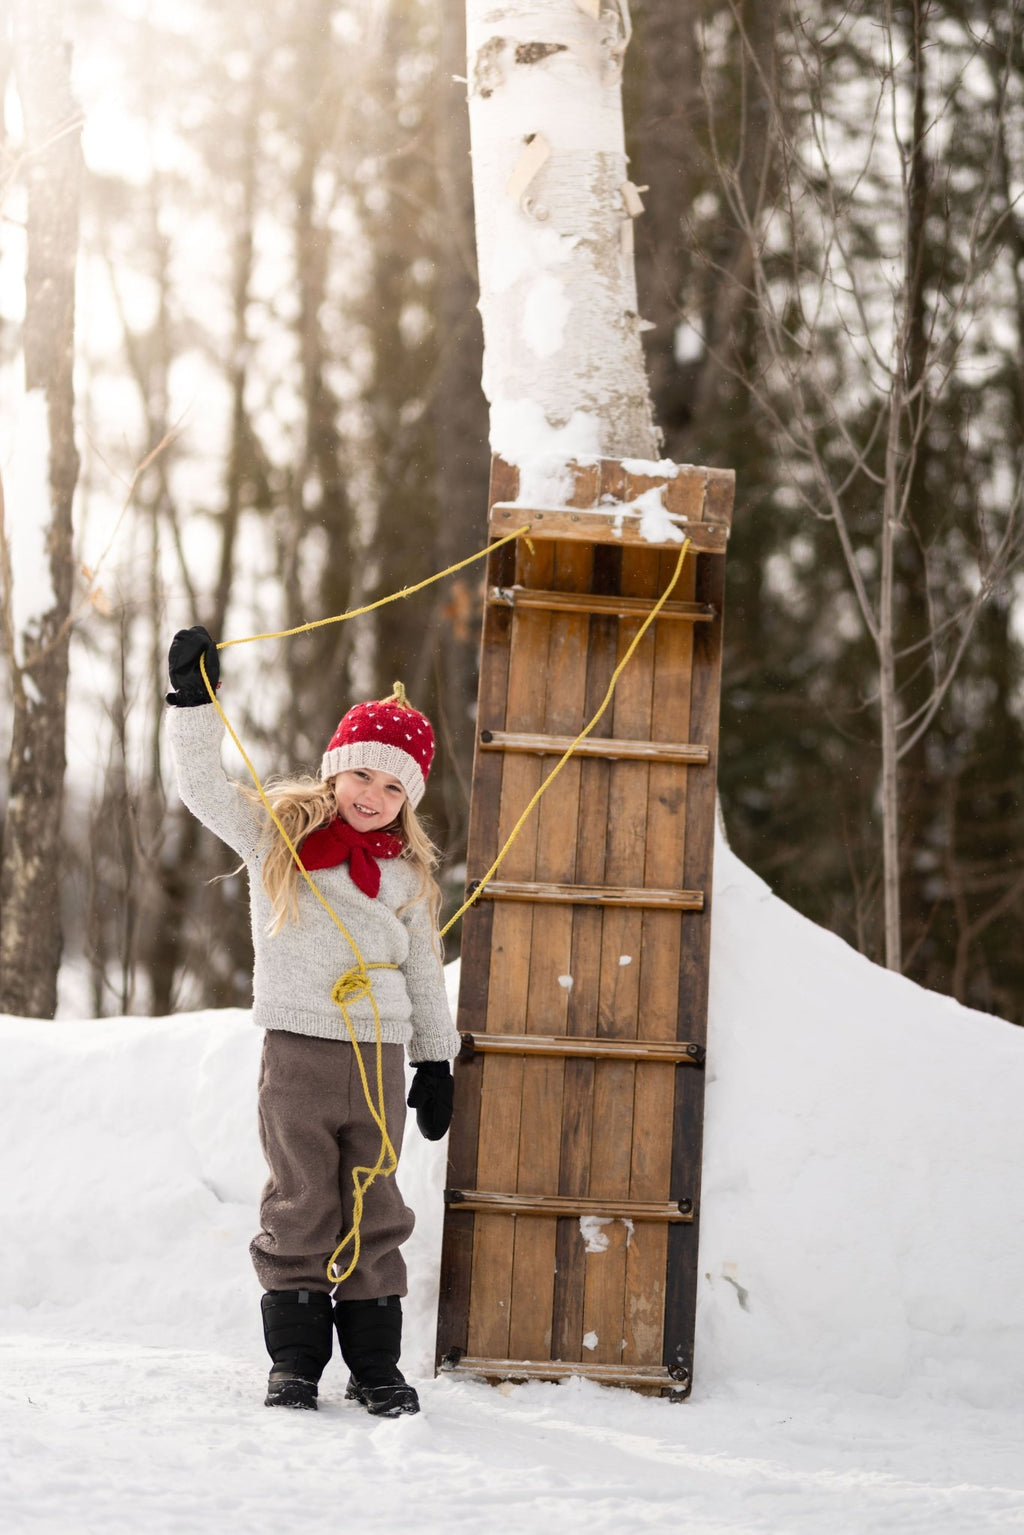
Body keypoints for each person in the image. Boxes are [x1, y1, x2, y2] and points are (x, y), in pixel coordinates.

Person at [165, 625, 459, 1417]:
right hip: (298, 1053)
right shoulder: (277, 836)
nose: (373, 794)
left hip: (379, 1058)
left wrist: (435, 1059)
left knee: (374, 1202)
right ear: (335, 768)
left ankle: (375, 1364)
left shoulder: (407, 875)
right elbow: (203, 787)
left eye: (393, 787)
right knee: (301, 1200)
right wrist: (194, 703)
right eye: (362, 773)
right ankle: (295, 1361)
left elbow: (423, 971)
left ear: (409, 799)